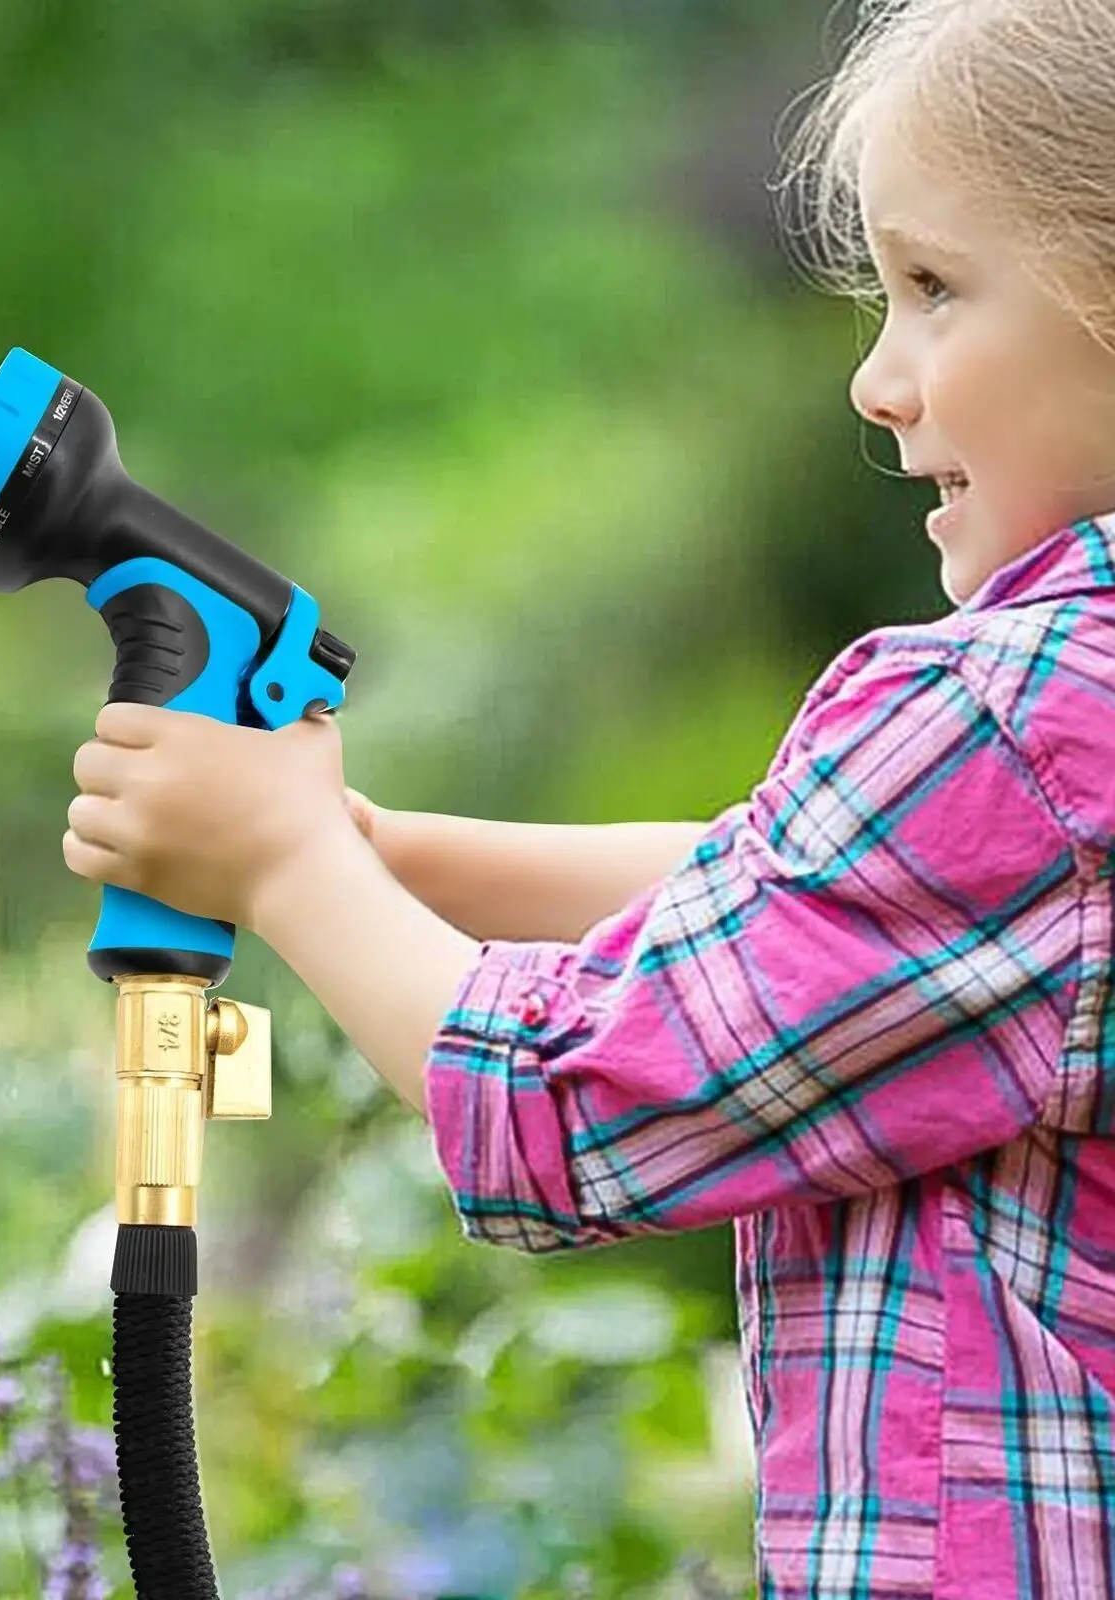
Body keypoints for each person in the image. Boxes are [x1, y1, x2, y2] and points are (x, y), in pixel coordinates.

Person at [61, 2, 1115, 1594]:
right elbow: (784, 900)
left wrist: (285, 868)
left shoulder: (1014, 722)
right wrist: (386, 858)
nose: (877, 384)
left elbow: (572, 1104)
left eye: (934, 290)